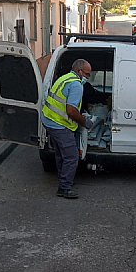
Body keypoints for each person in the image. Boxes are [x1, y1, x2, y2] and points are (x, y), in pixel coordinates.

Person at [42, 59, 94, 199]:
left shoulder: (64, 78)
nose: (88, 77)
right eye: (87, 74)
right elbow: (71, 111)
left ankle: (62, 178)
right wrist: (85, 121)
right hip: (60, 125)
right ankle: (64, 188)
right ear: (79, 71)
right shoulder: (76, 85)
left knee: (61, 154)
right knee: (71, 156)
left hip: (49, 120)